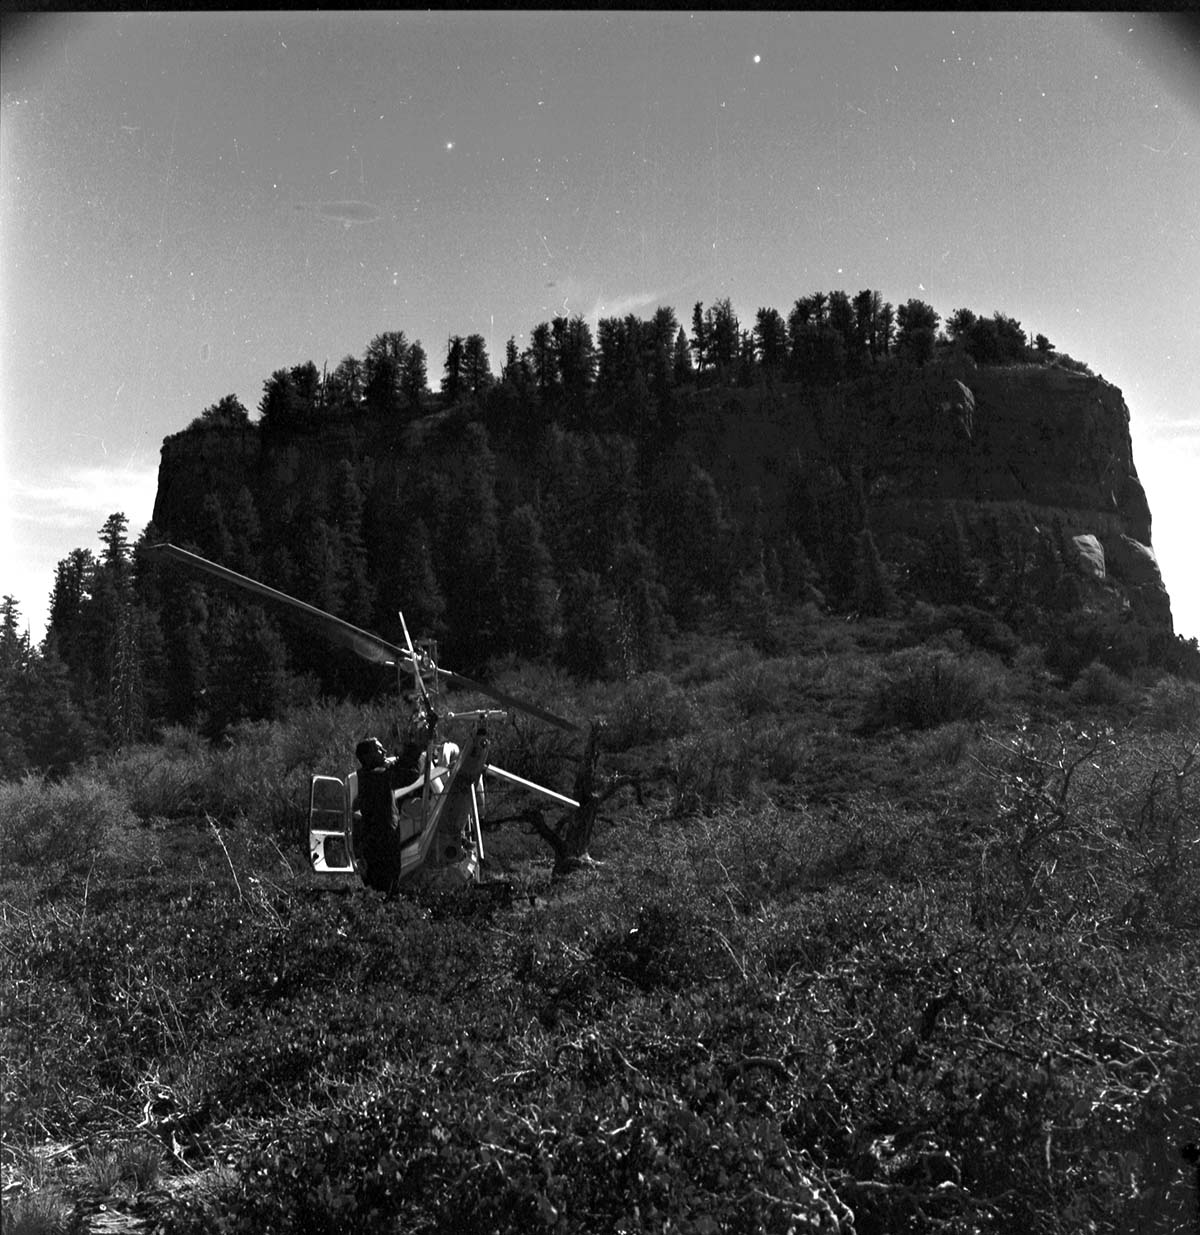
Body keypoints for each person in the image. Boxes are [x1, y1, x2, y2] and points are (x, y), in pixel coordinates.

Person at [353, 732, 424, 895]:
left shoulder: (372, 775)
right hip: (380, 845)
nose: (385, 751)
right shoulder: (375, 777)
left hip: (381, 842)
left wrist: (411, 748)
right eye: (379, 749)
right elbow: (408, 775)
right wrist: (414, 749)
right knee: (385, 886)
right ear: (368, 756)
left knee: (385, 885)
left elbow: (400, 770)